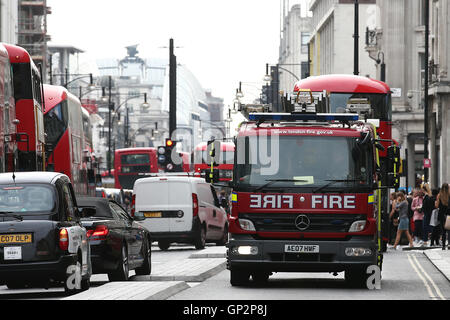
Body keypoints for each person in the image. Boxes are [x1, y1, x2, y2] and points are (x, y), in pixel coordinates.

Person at [435, 183, 450, 250]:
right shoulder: (449, 195)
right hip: (448, 214)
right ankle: (449, 244)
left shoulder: (439, 195)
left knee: (443, 231)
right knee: (449, 230)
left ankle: (443, 246)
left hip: (441, 214)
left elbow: (437, 206)